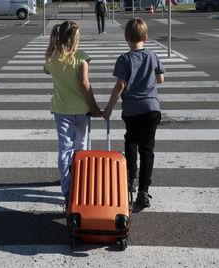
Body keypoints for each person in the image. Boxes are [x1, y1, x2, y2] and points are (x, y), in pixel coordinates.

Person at [102, 18, 165, 209]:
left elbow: (120, 85)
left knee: (131, 141)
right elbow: (160, 79)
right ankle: (144, 192)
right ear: (145, 37)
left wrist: (108, 108)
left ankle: (131, 179)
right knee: (147, 149)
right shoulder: (153, 56)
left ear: (126, 37)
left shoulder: (124, 59)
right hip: (151, 109)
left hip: (131, 110)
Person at [44, 21, 101, 209]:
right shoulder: (81, 57)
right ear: (75, 38)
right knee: (81, 148)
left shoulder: (52, 58)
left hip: (61, 110)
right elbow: (85, 84)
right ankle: (81, 187)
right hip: (82, 110)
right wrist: (94, 106)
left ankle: (67, 192)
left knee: (64, 149)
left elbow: (46, 70)